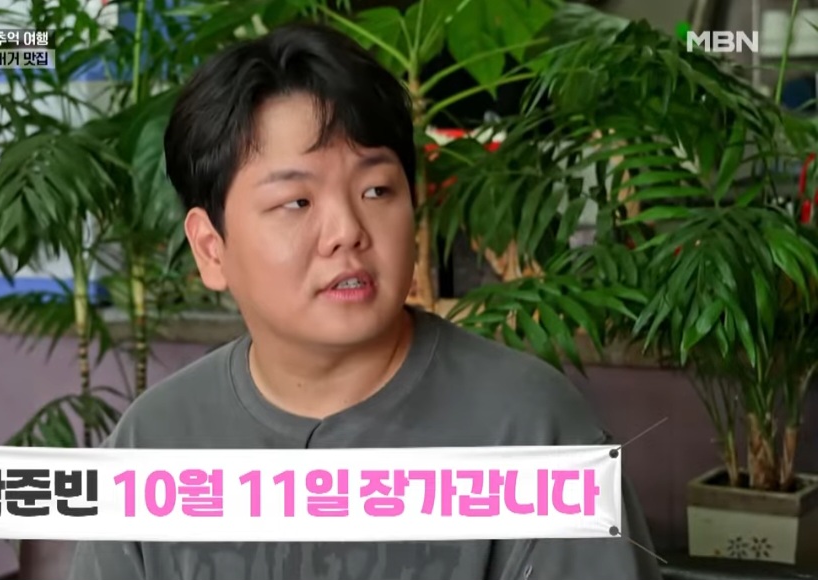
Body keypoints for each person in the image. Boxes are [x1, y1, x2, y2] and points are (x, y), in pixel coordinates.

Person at [70, 22, 662, 580]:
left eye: (376, 190)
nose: (347, 231)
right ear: (210, 248)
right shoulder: (154, 442)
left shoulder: (534, 432)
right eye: (297, 202)